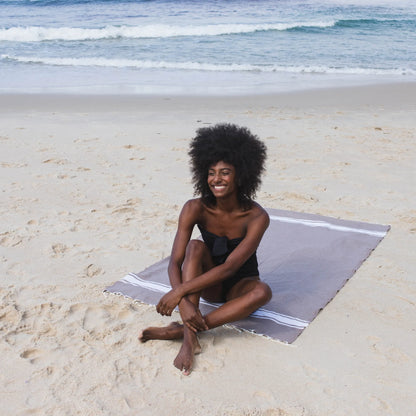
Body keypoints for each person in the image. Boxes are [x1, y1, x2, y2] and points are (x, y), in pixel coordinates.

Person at [139, 123, 272, 375]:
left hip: (239, 287)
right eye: (211, 173)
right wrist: (183, 301)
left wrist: (179, 294)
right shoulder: (194, 208)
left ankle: (185, 331)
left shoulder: (257, 217)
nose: (216, 179)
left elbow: (231, 267)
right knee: (195, 246)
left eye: (225, 172)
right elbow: (175, 261)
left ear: (241, 175)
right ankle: (190, 339)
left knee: (263, 292)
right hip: (206, 287)